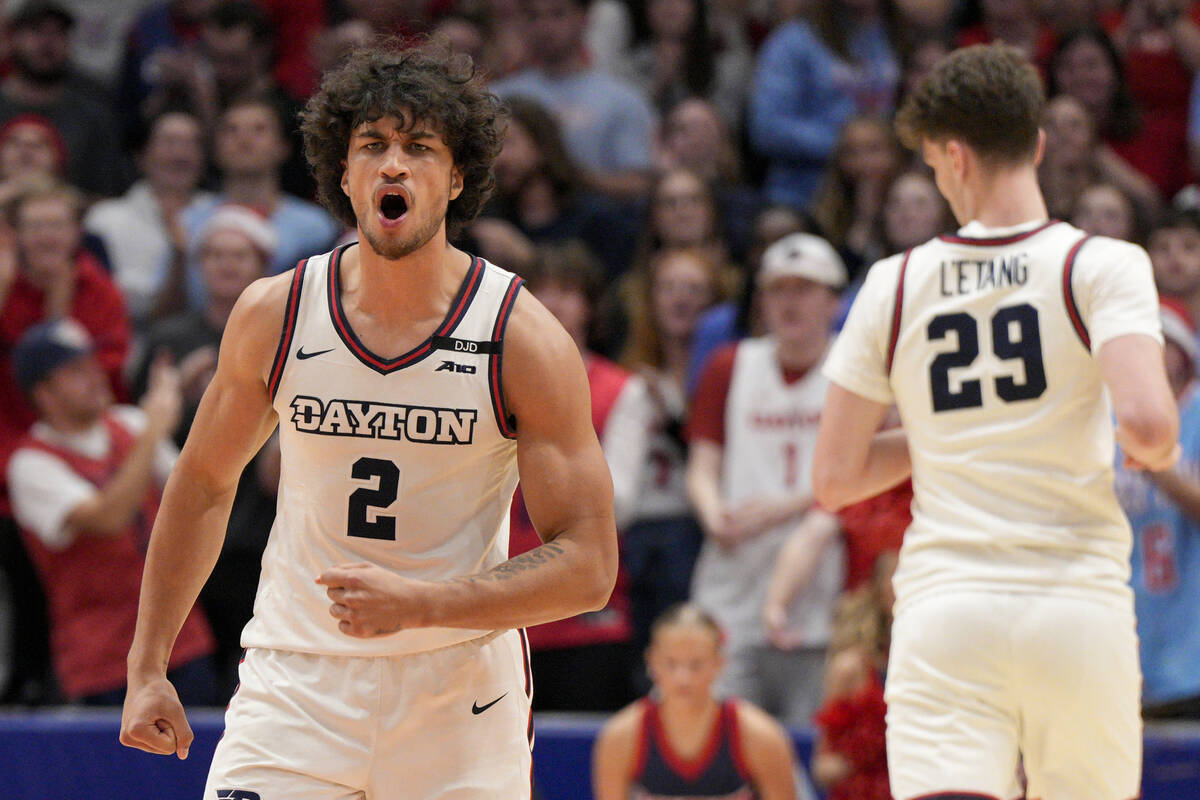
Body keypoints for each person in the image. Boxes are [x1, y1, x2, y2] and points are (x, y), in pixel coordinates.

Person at [119, 41, 618, 799]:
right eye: (373, 146)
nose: (394, 165)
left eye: (419, 148)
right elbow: (202, 488)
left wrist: (427, 604)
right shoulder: (275, 313)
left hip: (458, 698)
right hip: (297, 683)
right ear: (343, 174)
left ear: (455, 178)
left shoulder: (521, 336)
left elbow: (589, 564)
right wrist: (148, 664)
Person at [814, 44, 1179, 800]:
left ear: (953, 157)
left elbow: (835, 479)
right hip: (1076, 605)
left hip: (949, 608)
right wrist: (1123, 437)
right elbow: (1148, 426)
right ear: (1039, 143)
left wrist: (957, 432)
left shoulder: (895, 281)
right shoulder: (1102, 264)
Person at [6, 319, 217, 705]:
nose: (94, 376)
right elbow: (107, 518)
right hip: (101, 658)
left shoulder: (128, 423)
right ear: (44, 393)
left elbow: (196, 495)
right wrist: (154, 429)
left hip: (180, 638)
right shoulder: (29, 464)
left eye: (91, 363)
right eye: (74, 371)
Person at [686, 232, 848, 726]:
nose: (790, 302)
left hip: (822, 594)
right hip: (733, 585)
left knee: (810, 751)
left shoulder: (857, 370)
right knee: (719, 737)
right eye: (778, 290)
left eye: (804, 289)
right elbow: (702, 465)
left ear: (833, 300)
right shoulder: (730, 364)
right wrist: (713, 513)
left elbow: (868, 475)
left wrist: (784, 507)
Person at [591, 603, 798, 800]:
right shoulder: (620, 737)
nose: (683, 678)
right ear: (652, 660)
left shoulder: (760, 736)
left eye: (696, 664)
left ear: (719, 663)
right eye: (671, 663)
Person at [1114, 302, 1200, 719]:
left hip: (1191, 659)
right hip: (1121, 654)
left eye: (1157, 344)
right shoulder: (1101, 423)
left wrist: (1156, 462)